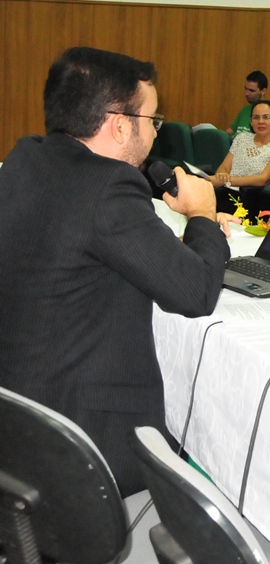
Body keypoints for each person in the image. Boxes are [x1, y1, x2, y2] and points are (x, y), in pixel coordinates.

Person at [0, 46, 233, 497]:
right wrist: (203, 213)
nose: (155, 132)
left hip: (19, 411)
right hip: (82, 438)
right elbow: (195, 293)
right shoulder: (109, 184)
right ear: (121, 125)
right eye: (153, 120)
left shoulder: (26, 157)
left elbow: (81, 240)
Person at [209, 99, 270, 213]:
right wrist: (221, 177)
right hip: (225, 190)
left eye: (266, 117)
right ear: (251, 121)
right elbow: (223, 167)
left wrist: (227, 181)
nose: (261, 121)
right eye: (256, 117)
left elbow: (263, 179)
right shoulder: (242, 138)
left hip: (250, 199)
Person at [227, 70, 267, 136]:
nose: (246, 93)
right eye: (246, 89)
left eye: (251, 90)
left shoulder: (268, 113)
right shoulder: (245, 110)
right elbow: (229, 132)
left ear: (263, 91)